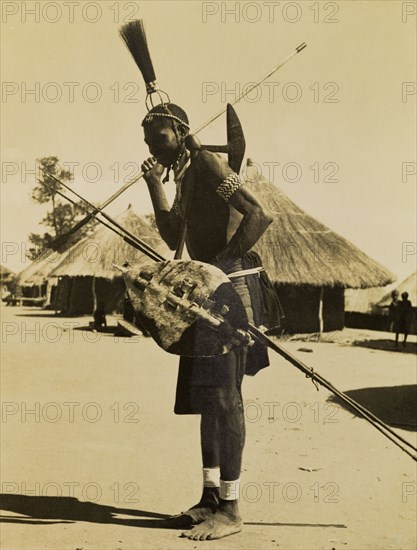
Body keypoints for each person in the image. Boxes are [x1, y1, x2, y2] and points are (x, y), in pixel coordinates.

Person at [140, 103, 273, 540]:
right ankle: (210, 498)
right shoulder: (183, 174)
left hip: (229, 291)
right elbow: (171, 233)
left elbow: (258, 215)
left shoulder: (208, 163)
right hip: (206, 293)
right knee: (208, 400)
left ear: (179, 131)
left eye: (157, 136)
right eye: (145, 138)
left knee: (225, 397)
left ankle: (231, 510)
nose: (150, 144)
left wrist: (219, 265)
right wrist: (153, 187)